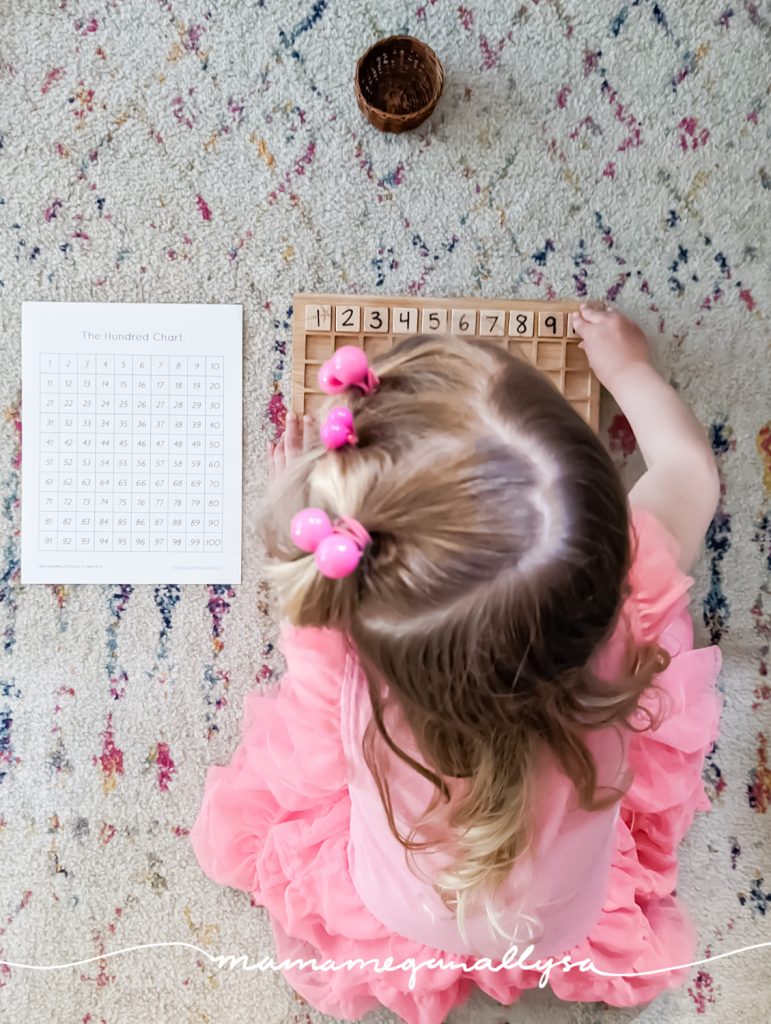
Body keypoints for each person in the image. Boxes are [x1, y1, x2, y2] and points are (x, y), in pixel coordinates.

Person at [189, 304, 723, 1024]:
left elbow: (308, 764)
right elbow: (690, 470)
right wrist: (628, 370)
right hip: (560, 916)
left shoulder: (339, 647)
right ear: (606, 538)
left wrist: (310, 505)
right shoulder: (637, 596)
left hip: (400, 909)